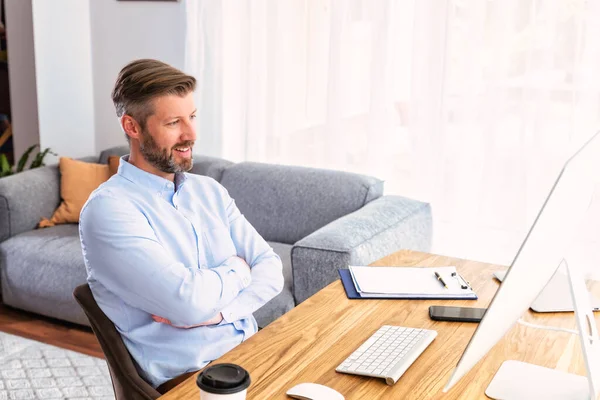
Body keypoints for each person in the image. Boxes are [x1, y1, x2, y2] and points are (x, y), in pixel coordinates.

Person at [79, 59, 284, 392]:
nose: (191, 134)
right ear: (132, 127)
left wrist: (220, 314)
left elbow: (271, 269)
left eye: (192, 116)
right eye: (174, 122)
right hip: (191, 381)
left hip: (252, 351)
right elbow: (187, 304)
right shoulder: (109, 211)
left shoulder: (209, 192)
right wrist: (238, 270)